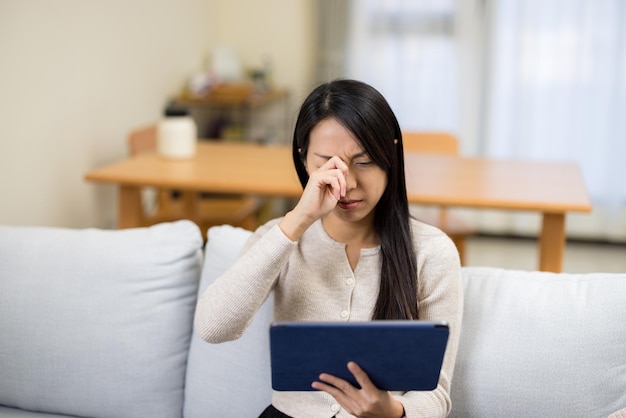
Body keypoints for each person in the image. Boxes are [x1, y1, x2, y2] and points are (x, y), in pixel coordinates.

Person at [194, 79, 463, 418]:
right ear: (304, 159)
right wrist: (298, 220)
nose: (347, 183)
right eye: (327, 163)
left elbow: (437, 394)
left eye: (364, 162)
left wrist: (392, 411)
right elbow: (214, 327)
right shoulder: (279, 237)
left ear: (390, 157)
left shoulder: (431, 252)